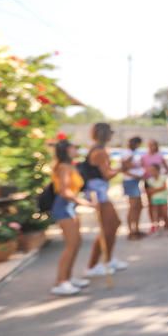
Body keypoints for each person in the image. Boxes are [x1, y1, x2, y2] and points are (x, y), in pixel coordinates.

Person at [82, 122, 129, 277]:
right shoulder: (100, 152)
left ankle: (107, 259)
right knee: (107, 227)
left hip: (100, 190)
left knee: (113, 224)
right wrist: (122, 168)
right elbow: (106, 175)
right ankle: (92, 265)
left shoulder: (98, 150)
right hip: (98, 192)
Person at [49, 140, 93, 296]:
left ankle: (67, 278)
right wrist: (84, 202)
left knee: (76, 243)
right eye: (74, 147)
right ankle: (61, 282)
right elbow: (64, 191)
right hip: (64, 208)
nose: (76, 149)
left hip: (70, 207)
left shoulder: (69, 166)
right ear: (67, 150)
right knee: (71, 245)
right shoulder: (63, 167)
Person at [141, 139, 168, 234]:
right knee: (151, 204)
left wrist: (161, 176)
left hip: (158, 181)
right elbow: (141, 168)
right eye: (150, 145)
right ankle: (153, 224)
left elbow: (166, 168)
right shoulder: (144, 157)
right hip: (148, 181)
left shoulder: (160, 156)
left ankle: (166, 223)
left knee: (162, 204)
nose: (151, 147)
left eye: (153, 145)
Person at [121, 136, 146, 240]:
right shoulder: (127, 153)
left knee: (139, 206)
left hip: (136, 181)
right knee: (133, 206)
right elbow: (124, 168)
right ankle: (131, 231)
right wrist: (135, 176)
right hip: (130, 181)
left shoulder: (136, 153)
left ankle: (136, 228)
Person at [144, 164, 168, 231]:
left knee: (165, 212)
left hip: (163, 198)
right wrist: (159, 189)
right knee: (156, 213)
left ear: (158, 170)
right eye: (151, 170)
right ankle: (156, 226)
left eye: (154, 170)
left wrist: (154, 190)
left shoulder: (163, 177)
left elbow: (164, 187)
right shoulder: (148, 180)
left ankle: (167, 224)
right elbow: (148, 191)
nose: (152, 172)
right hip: (154, 199)